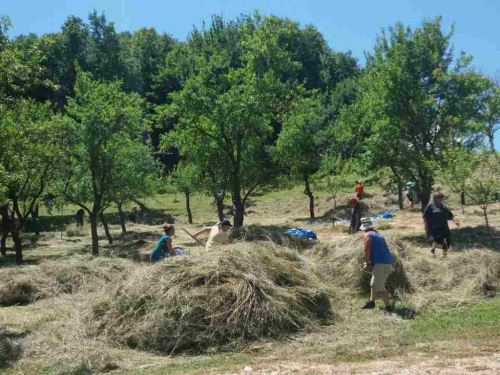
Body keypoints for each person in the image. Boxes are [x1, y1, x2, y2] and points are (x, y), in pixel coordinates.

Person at [359, 218, 394, 312]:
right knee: (374, 283)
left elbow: (367, 250)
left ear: (364, 228)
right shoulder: (379, 235)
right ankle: (371, 302)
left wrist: (366, 262)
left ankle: (388, 307)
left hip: (380, 262)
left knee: (379, 286)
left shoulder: (367, 235)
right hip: (387, 261)